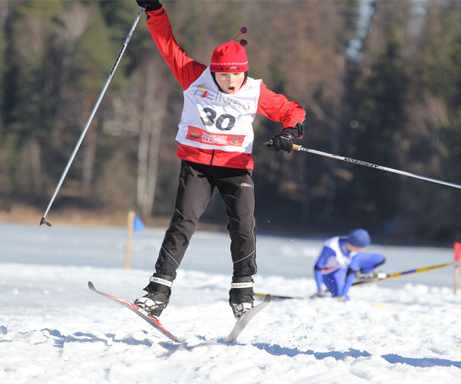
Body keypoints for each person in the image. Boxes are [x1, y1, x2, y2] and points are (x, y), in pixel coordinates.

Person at [133, 0, 306, 319]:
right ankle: (158, 291)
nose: (229, 82)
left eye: (235, 75)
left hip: (235, 168)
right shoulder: (194, 76)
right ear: (214, 70)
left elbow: (291, 111)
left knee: (243, 224)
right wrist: (155, 10)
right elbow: (167, 45)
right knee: (182, 222)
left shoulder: (254, 91)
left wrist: (290, 131)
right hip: (196, 165)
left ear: (244, 72)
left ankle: (242, 290)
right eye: (223, 75)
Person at [312, 229, 386, 301]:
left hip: (345, 264)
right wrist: (319, 289)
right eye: (361, 248)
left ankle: (363, 273)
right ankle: (339, 288)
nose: (363, 250)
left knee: (380, 259)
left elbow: (351, 272)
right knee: (338, 294)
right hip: (331, 270)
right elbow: (318, 268)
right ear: (353, 245)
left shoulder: (355, 249)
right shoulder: (331, 247)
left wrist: (344, 293)